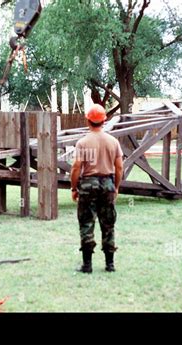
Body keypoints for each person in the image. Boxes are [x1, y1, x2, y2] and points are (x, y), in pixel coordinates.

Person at [70, 104, 123, 273]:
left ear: (88, 120)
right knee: (108, 224)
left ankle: (87, 265)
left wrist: (73, 187)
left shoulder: (82, 142)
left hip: (87, 184)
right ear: (104, 121)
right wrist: (115, 187)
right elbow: (119, 167)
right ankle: (110, 264)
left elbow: (76, 166)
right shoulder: (113, 141)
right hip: (107, 184)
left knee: (86, 223)